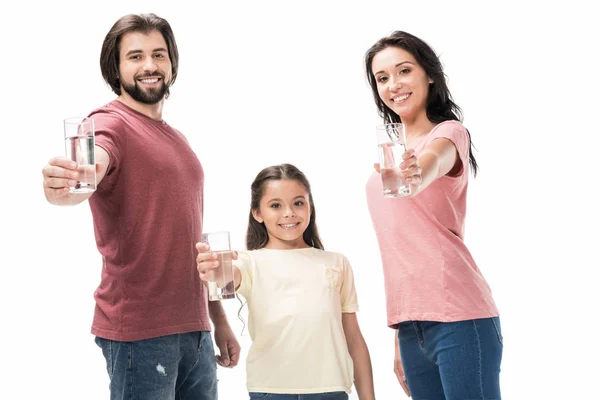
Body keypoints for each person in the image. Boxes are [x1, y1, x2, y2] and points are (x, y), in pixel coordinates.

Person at [41, 13, 239, 400]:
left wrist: (217, 319)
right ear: (115, 68)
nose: (149, 66)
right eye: (135, 56)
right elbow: (86, 173)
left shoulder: (176, 139)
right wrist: (60, 189)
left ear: (171, 63)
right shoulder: (107, 124)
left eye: (158, 55)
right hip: (141, 333)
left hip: (195, 329)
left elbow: (189, 235)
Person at [364, 31, 503, 400]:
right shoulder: (391, 154)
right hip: (412, 328)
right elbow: (403, 248)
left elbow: (433, 161)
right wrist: (401, 332)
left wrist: (418, 172)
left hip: (460, 317)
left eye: (404, 70)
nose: (394, 84)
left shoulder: (448, 135)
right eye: (382, 78)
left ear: (429, 74)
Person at [196, 164, 376, 400]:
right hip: (271, 391)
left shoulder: (336, 263)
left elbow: (353, 336)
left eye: (298, 203)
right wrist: (215, 270)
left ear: (310, 206)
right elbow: (227, 278)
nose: (289, 213)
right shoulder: (249, 262)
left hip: (330, 390)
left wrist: (369, 397)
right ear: (257, 213)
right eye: (275, 205)